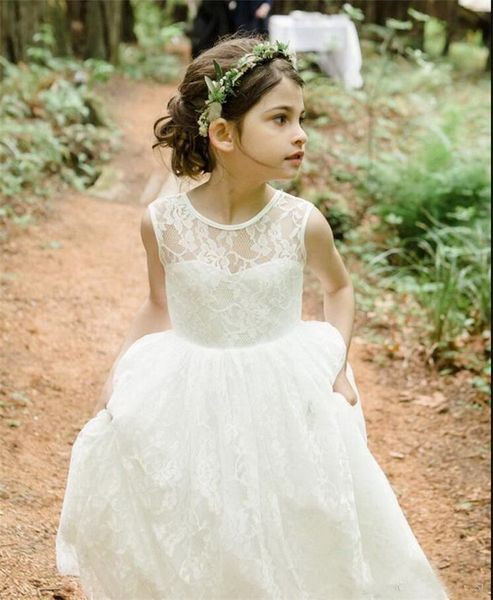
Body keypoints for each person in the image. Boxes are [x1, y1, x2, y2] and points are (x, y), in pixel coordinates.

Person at [55, 35, 451, 599]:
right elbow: (158, 303)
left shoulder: (303, 222)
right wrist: (119, 370)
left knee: (294, 506)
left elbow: (338, 289)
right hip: (191, 387)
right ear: (223, 134)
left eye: (302, 118)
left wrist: (336, 365)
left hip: (283, 386)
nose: (301, 135)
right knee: (203, 508)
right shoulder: (162, 222)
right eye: (281, 119)